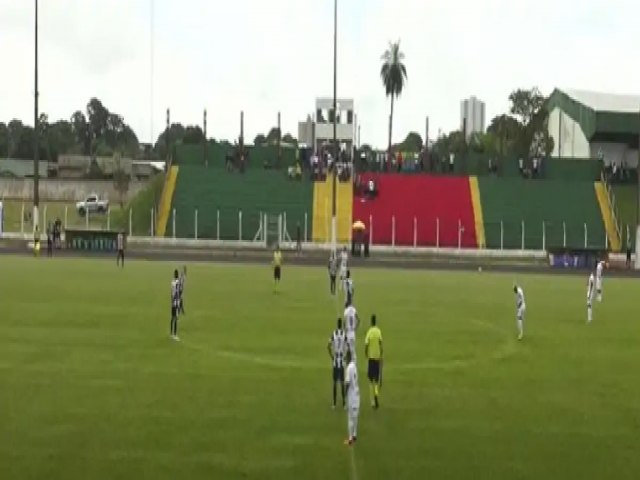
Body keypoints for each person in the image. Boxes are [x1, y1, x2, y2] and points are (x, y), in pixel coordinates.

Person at [364, 314, 383, 409]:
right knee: (376, 379)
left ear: (371, 322)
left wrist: (366, 354)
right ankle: (376, 394)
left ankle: (372, 401)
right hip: (377, 358)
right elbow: (380, 343)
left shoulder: (369, 332)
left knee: (370, 380)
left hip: (371, 358)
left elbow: (366, 344)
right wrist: (381, 355)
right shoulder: (378, 331)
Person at [327, 318, 346, 409]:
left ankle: (334, 404)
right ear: (341, 325)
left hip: (335, 360)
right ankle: (344, 404)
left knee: (335, 382)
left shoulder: (333, 333)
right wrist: (345, 356)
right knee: (342, 382)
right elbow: (349, 347)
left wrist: (331, 356)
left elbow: (328, 346)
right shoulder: (344, 334)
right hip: (341, 360)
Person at [343, 348, 360, 446]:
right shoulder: (354, 366)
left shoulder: (348, 368)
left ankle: (350, 439)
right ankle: (354, 435)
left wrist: (345, 395)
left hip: (352, 396)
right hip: (357, 394)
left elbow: (347, 383)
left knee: (350, 418)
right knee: (355, 417)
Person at [170, 269, 180, 340]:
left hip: (172, 301)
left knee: (172, 317)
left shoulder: (172, 282)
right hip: (176, 302)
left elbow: (172, 293)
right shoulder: (177, 283)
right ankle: (175, 334)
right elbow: (177, 292)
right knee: (176, 318)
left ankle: (171, 333)